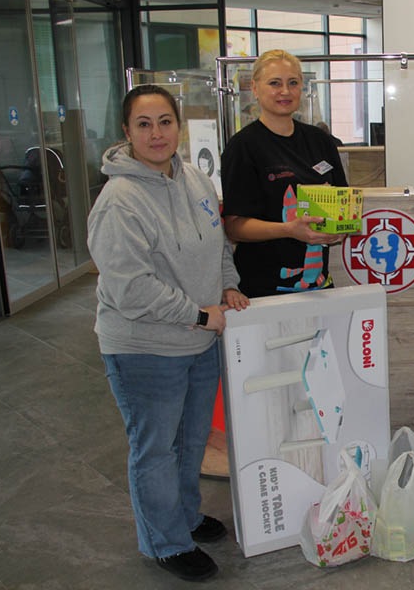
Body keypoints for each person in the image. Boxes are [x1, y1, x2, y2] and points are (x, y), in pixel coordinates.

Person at [87, 84, 249, 582]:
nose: (156, 134)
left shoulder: (194, 178)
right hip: (145, 349)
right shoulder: (119, 202)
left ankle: (184, 516)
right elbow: (131, 289)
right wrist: (198, 315)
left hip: (197, 341)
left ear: (178, 126)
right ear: (126, 132)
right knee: (156, 449)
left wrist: (228, 285)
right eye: (144, 124)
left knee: (192, 439)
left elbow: (217, 244)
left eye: (165, 122)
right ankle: (165, 542)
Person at [220, 49, 348, 297]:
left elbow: (342, 201)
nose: (285, 91)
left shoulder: (320, 141)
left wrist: (339, 229)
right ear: (255, 88)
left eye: (293, 83)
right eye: (275, 83)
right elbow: (235, 228)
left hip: (317, 286)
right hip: (264, 290)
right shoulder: (243, 147)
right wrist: (289, 229)